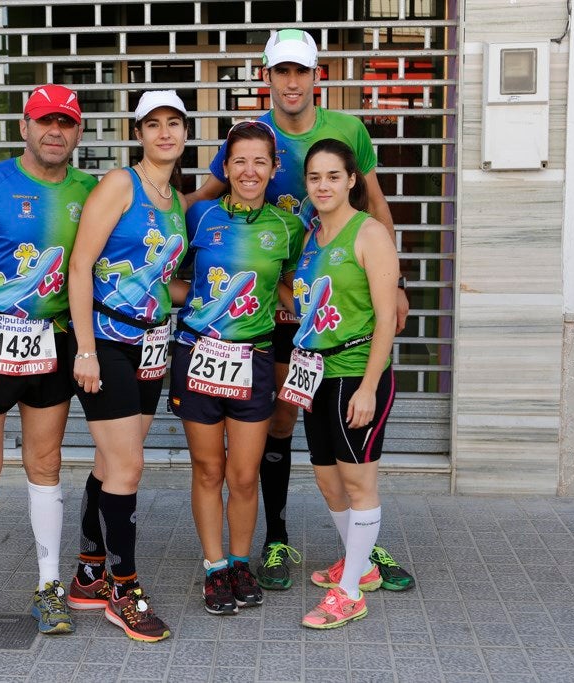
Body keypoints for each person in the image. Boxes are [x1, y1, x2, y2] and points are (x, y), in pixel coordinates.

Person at [187, 28, 413, 593]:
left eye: (301, 71)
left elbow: (376, 202)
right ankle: (277, 537)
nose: (292, 82)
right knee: (282, 420)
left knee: (335, 433)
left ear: (317, 75)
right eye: (281, 71)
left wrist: (396, 283)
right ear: (266, 75)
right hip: (275, 301)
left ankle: (361, 544)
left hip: (323, 297)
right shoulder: (253, 136)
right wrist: (141, 206)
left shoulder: (348, 130)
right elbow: (203, 198)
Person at [0, 84, 96, 639]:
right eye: (44, 120)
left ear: (78, 132)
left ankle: (49, 585)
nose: (55, 131)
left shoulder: (89, 190)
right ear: (24, 126)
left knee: (45, 465)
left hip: (52, 342)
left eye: (66, 122)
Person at [65, 90, 189, 643]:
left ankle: (89, 572)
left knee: (111, 462)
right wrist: (85, 349)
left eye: (173, 123)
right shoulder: (120, 184)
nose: (164, 133)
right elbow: (80, 266)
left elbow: (162, 279)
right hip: (107, 343)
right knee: (128, 467)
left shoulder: (176, 199)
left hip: (152, 344)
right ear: (137, 133)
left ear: (185, 132)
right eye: (152, 124)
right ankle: (124, 589)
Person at [169, 120, 304, 616]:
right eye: (240, 161)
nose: (249, 170)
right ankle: (215, 566)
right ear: (225, 167)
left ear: (273, 168)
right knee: (209, 470)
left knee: (244, 475)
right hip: (198, 355)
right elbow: (163, 270)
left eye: (259, 161)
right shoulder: (198, 215)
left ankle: (241, 563)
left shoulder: (288, 227)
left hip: (255, 360)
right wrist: (195, 298)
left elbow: (292, 288)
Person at [289, 138, 399, 628]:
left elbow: (386, 318)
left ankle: (351, 592)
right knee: (327, 479)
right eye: (315, 177)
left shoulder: (369, 233)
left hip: (355, 374)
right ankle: (362, 564)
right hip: (315, 374)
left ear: (352, 180)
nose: (323, 185)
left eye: (333, 176)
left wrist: (369, 386)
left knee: (358, 483)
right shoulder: (311, 236)